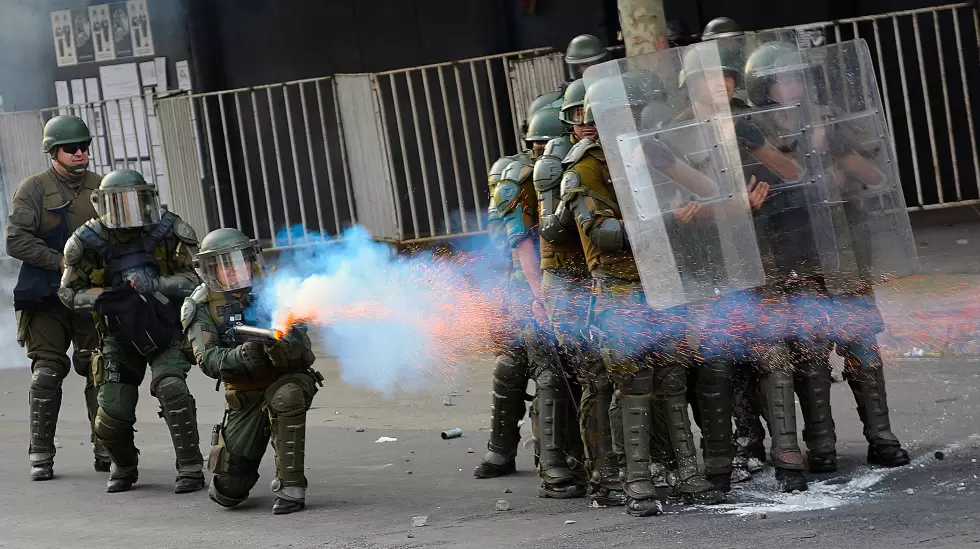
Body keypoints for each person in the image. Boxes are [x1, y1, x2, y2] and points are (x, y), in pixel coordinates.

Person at [559, 76, 725, 516]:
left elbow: (707, 191)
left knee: (672, 378)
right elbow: (602, 233)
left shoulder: (651, 153)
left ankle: (688, 474)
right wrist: (665, 218)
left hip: (664, 280)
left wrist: (693, 202)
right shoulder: (585, 167)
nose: (631, 120)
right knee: (633, 385)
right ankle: (636, 483)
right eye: (623, 113)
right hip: (619, 286)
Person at [744, 40, 912, 471]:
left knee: (863, 350)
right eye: (783, 79)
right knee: (811, 356)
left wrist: (837, 155)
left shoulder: (829, 119)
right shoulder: (753, 131)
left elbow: (873, 175)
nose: (794, 85)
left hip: (846, 256)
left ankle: (881, 435)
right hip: (793, 260)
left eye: (799, 75)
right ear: (764, 87)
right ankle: (821, 443)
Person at [59, 169, 205, 494]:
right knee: (110, 414)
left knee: (172, 389)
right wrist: (108, 298)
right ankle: (124, 465)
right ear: (103, 204)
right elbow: (68, 293)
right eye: (118, 204)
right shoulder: (86, 240)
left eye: (133, 202)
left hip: (165, 326)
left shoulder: (170, 228)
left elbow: (198, 278)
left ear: (147, 199)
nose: (128, 212)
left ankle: (191, 467)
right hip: (118, 334)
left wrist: (161, 284)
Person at [182, 228, 321, 514]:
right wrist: (244, 354)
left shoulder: (274, 287)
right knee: (228, 492)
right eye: (224, 264)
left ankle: (291, 488)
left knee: (287, 395)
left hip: (284, 378)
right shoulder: (200, 305)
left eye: (238, 261)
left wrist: (279, 347)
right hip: (243, 394)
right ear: (210, 269)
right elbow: (208, 360)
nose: (233, 271)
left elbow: (303, 347)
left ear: (250, 260)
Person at [6, 114, 109, 480]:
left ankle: (107, 447)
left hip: (91, 294)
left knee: (99, 369)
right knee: (47, 374)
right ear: (54, 152)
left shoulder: (102, 186)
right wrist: (62, 262)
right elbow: (15, 240)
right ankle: (42, 454)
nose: (80, 153)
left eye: (84, 147)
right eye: (71, 148)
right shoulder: (34, 188)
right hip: (46, 295)